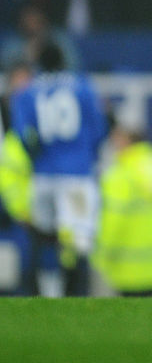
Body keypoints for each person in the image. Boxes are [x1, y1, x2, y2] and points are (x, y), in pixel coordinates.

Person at [9, 41, 108, 295]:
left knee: (45, 237)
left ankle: (46, 293)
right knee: (77, 240)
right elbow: (99, 129)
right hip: (76, 175)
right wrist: (86, 156)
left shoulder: (28, 92)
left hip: (44, 175)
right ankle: (75, 294)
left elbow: (22, 134)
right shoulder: (83, 87)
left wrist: (37, 157)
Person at [92, 119, 152, 296]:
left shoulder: (120, 174)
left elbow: (112, 222)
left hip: (127, 269)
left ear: (125, 141)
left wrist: (101, 257)